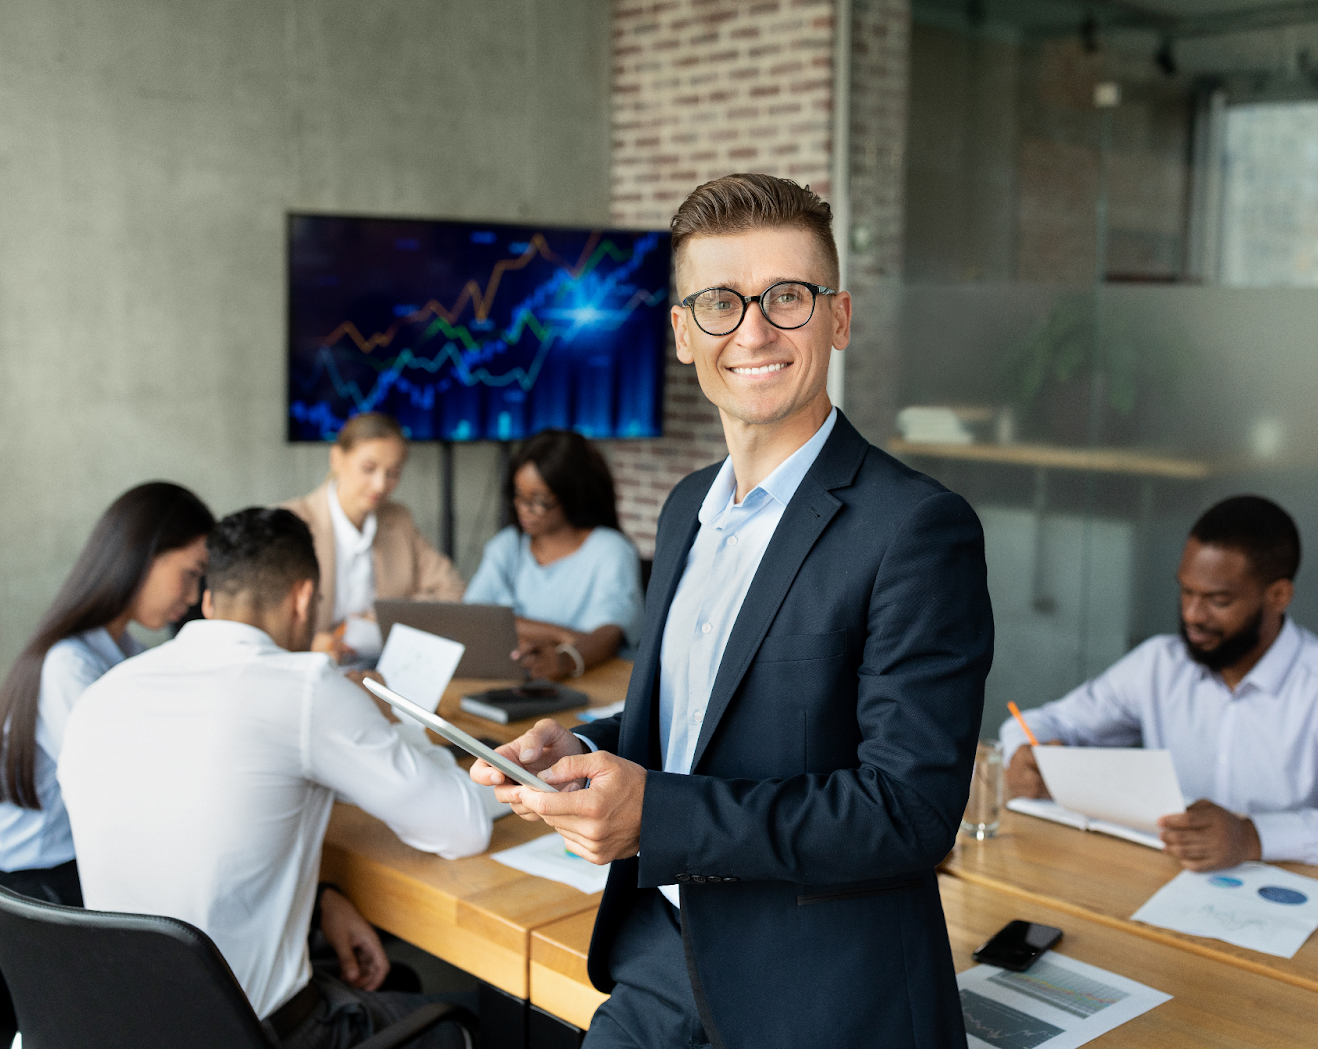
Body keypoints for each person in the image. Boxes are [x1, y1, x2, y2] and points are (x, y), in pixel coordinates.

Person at [472, 174, 994, 1049]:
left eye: (786, 297)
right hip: (657, 962)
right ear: (682, 331)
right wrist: (589, 748)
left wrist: (659, 815)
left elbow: (907, 811)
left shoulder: (917, 528)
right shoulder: (683, 509)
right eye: (719, 301)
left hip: (821, 1003)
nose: (752, 330)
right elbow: (692, 722)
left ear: (838, 317)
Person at [60, 507, 491, 1048]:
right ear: (305, 598)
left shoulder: (103, 694)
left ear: (210, 601)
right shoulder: (306, 688)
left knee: (395, 984)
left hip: (107, 1025)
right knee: (489, 1022)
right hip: (259, 1037)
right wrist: (390, 717)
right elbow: (464, 827)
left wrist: (325, 898)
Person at [1001, 495, 1318, 871]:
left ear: (1278, 596)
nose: (1193, 615)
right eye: (1186, 592)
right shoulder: (1162, 663)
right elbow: (1048, 720)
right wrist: (1027, 752)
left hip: (1290, 908)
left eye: (1218, 600)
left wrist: (1254, 837)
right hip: (1164, 884)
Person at [0, 482, 216, 907]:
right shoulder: (69, 665)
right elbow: (124, 792)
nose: (194, 595)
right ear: (145, 554)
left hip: (80, 869)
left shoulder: (127, 652)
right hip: (40, 891)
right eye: (191, 573)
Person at [282, 411, 464, 662]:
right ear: (336, 458)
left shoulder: (398, 520)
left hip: (384, 667)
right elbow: (265, 617)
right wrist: (307, 643)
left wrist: (383, 616)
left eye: (393, 473)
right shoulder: (291, 522)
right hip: (311, 667)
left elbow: (452, 590)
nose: (381, 485)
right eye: (369, 469)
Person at [465, 429, 643, 680]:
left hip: (594, 684)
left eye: (538, 500)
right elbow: (473, 619)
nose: (523, 510)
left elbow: (608, 637)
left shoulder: (611, 550)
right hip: (517, 679)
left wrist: (516, 627)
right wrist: (564, 637)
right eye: (518, 496)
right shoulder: (507, 545)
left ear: (573, 495)